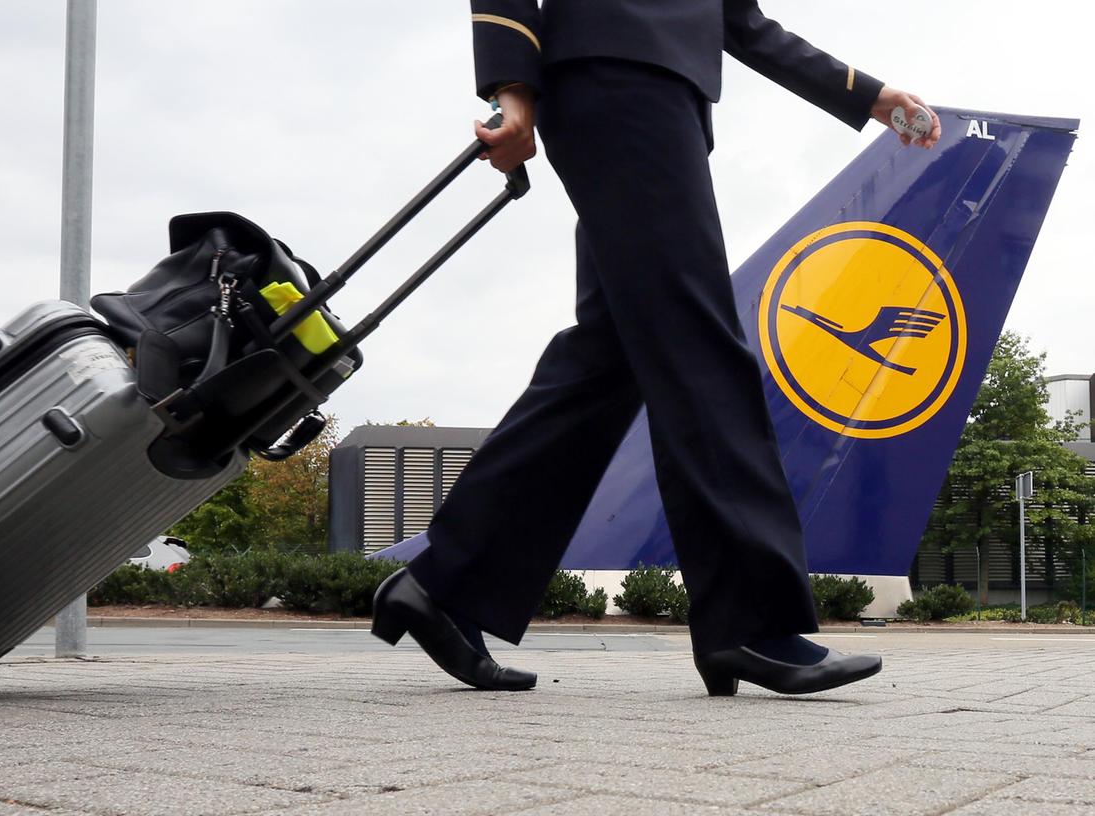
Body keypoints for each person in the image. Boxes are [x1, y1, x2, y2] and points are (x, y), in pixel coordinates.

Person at [371, 0, 941, 696]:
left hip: (656, 98)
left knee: (609, 357)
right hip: (618, 82)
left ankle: (446, 583)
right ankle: (751, 621)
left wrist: (866, 93)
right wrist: (511, 91)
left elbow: (740, 19)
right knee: (699, 342)